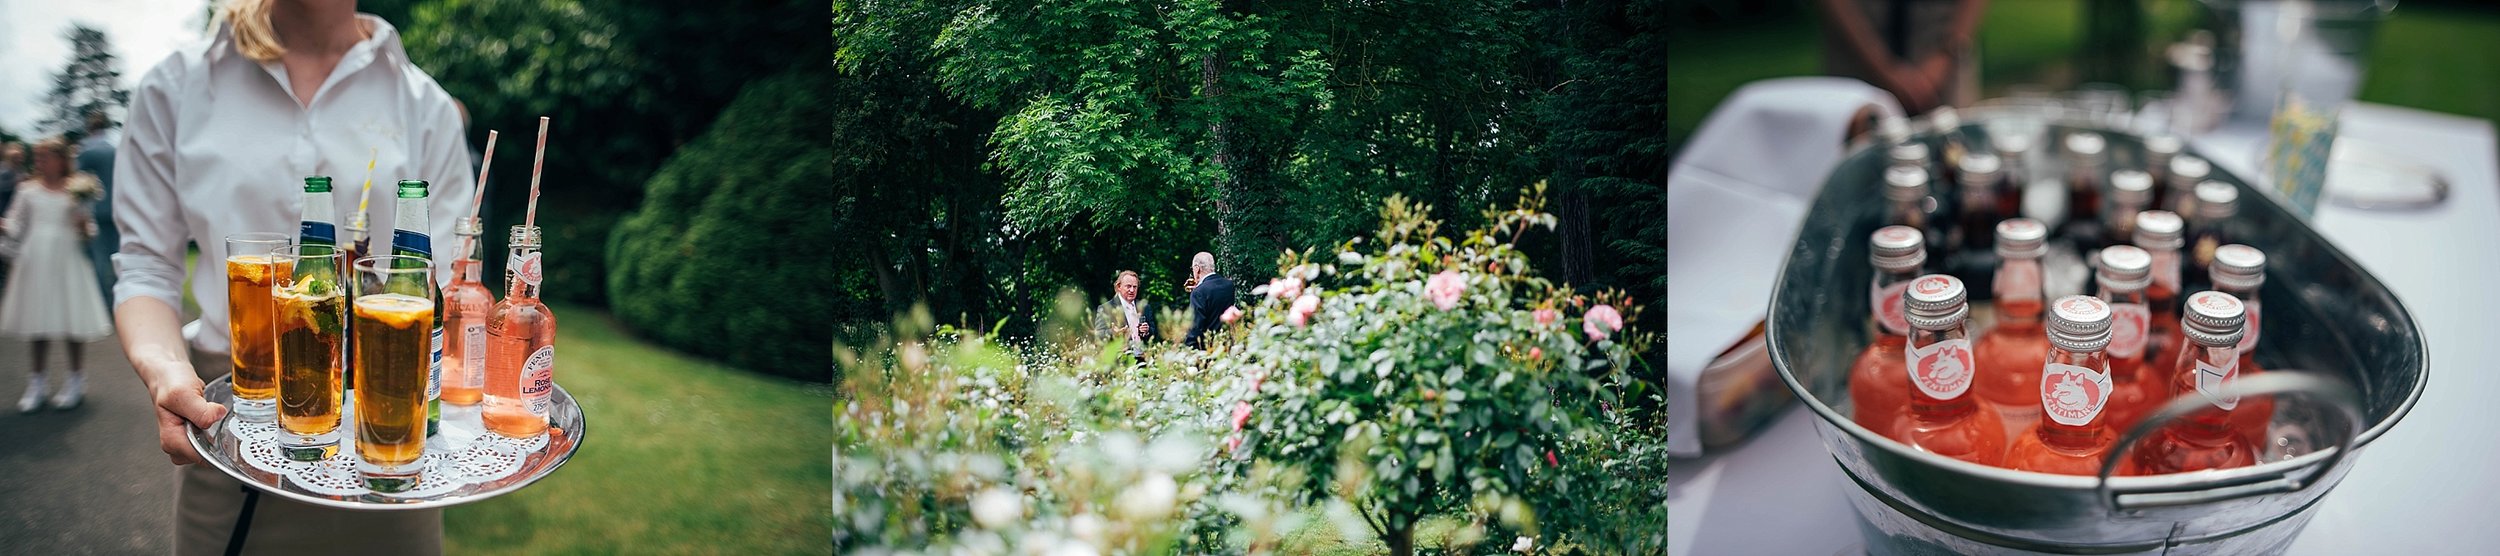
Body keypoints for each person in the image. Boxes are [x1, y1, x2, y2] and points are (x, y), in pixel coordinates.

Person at [114, 1, 473, 554]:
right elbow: (145, 264)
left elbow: (445, 278)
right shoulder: (176, 85)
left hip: (388, 445)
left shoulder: (422, 102)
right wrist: (166, 371)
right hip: (233, 430)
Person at [6, 138, 114, 413]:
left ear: (60, 159)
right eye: (37, 156)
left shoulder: (78, 189)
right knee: (37, 323)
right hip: (37, 258)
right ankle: (37, 384)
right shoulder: (27, 190)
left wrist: (83, 226)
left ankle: (76, 381)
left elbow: (89, 233)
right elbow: (15, 225)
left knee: (70, 322)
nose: (39, 161)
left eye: (45, 156)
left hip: (68, 258)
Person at [1816, 0, 1989, 116]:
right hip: (1855, 57)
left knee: (1952, 150)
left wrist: (1944, 56)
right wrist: (1882, 67)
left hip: (1943, 51)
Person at [78, 112, 119, 304]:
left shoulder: (87, 151)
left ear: (89, 127)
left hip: (96, 211)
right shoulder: (115, 148)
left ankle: (104, 303)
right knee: (118, 256)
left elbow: (79, 182)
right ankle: (121, 300)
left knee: (100, 259)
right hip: (118, 210)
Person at [1095, 270, 1158, 359]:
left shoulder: (1144, 307)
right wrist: (1113, 333)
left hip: (1144, 359)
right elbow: (1098, 335)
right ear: (1119, 286)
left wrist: (1147, 331)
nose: (1132, 290)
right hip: (1120, 360)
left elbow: (1155, 333)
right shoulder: (1106, 308)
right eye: (1128, 286)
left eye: (1135, 287)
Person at [1183, 252, 1236, 349]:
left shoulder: (1199, 292)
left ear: (1197, 268)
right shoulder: (1229, 285)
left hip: (1208, 349)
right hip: (1227, 345)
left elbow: (1196, 326)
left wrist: (1189, 348)